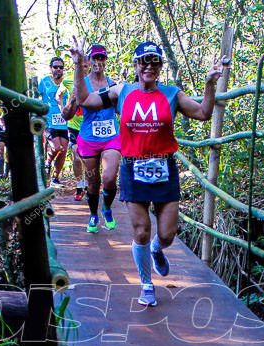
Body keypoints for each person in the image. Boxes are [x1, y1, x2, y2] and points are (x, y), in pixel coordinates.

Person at [70, 39, 225, 306]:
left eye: (154, 61)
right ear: (136, 65)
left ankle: (156, 250)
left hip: (165, 168)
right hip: (134, 168)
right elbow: (84, 99)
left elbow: (203, 112)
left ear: (160, 66)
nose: (149, 67)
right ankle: (146, 284)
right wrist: (77, 65)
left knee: (166, 235)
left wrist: (209, 83)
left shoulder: (172, 94)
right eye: (144, 61)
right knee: (141, 230)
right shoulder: (122, 91)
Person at [72, 45, 121, 233]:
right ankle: (93, 214)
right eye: (95, 58)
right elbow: (69, 113)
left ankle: (107, 209)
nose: (98, 62)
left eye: (102, 58)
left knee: (109, 177)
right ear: (89, 61)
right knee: (93, 181)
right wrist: (69, 103)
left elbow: (120, 108)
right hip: (88, 137)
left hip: (111, 137)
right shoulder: (81, 83)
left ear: (105, 61)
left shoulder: (113, 84)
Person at [38, 57, 70, 186]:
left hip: (64, 121)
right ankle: (47, 163)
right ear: (51, 68)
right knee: (56, 146)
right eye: (56, 67)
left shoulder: (67, 82)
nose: (58, 69)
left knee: (64, 149)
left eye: (61, 67)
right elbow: (35, 96)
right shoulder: (44, 82)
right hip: (49, 121)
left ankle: (55, 178)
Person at [60, 88, 87, 201]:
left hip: (87, 126)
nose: (83, 69)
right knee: (76, 157)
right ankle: (79, 186)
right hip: (74, 127)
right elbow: (58, 95)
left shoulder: (92, 82)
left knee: (87, 158)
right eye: (81, 67)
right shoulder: (68, 81)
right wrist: (63, 109)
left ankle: (87, 185)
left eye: (85, 67)